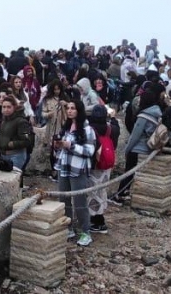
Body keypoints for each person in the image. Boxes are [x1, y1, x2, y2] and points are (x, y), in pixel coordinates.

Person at [53, 100, 96, 247]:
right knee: (63, 199)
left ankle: (85, 231)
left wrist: (70, 145)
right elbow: (61, 148)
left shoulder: (87, 129)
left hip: (78, 170)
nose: (70, 111)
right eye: (68, 108)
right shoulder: (66, 127)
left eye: (73, 108)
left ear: (79, 110)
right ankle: (68, 227)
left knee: (79, 202)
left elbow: (89, 151)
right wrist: (58, 146)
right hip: (64, 167)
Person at [115, 83, 164, 203]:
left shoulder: (144, 116)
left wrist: (127, 149)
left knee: (129, 172)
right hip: (148, 148)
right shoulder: (157, 112)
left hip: (137, 148)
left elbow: (135, 136)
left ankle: (120, 194)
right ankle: (127, 191)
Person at [86, 105, 118, 234]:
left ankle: (97, 221)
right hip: (106, 165)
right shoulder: (111, 128)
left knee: (92, 193)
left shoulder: (90, 129)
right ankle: (99, 218)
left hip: (94, 165)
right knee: (101, 191)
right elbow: (117, 129)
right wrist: (114, 117)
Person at [0, 95, 30, 174]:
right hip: (4, 155)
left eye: (8, 107)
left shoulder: (21, 121)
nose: (6, 109)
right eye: (4, 107)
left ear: (14, 107)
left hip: (16, 156)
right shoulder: (4, 120)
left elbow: (27, 141)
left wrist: (12, 144)